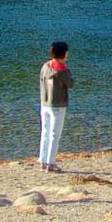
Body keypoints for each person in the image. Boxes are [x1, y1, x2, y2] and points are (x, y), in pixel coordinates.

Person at [38, 40, 73, 173]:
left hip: (44, 103)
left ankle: (43, 160)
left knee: (45, 133)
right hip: (58, 104)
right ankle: (51, 163)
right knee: (55, 135)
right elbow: (70, 83)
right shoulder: (62, 70)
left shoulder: (45, 66)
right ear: (64, 54)